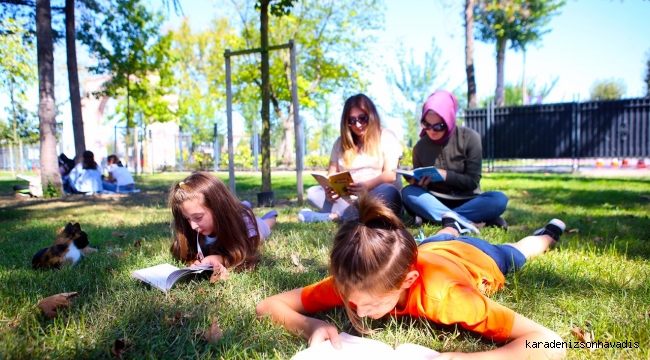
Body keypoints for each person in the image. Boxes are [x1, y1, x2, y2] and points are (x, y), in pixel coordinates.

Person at [256, 194, 567, 360]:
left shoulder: (449, 298)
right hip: (425, 249)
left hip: (477, 257)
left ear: (406, 281)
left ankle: (550, 232)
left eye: (372, 304)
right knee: (435, 240)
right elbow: (268, 305)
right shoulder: (358, 278)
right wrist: (313, 325)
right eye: (352, 301)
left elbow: (550, 343)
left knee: (519, 252)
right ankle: (449, 226)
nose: (358, 312)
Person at [401, 90, 508, 233]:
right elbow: (421, 190)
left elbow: (472, 181)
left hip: (469, 200)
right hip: (436, 200)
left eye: (438, 126)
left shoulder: (470, 138)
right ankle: (470, 221)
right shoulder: (420, 147)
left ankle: (445, 218)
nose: (431, 131)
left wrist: (444, 175)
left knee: (499, 199)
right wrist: (418, 183)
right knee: (408, 193)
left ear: (449, 120)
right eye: (426, 125)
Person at [300, 93, 403, 222]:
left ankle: (337, 217)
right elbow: (331, 175)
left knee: (389, 190)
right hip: (349, 200)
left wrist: (366, 185)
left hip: (379, 197)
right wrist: (330, 190)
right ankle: (354, 215)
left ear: (371, 116)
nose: (358, 125)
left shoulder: (387, 136)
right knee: (313, 193)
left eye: (362, 118)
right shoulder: (340, 143)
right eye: (352, 120)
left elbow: (391, 174)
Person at [168, 171, 278, 272]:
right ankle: (244, 204)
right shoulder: (195, 228)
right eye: (187, 218)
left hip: (250, 223)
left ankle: (271, 215)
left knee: (265, 226)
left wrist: (222, 259)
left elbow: (248, 253)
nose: (192, 226)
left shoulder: (244, 223)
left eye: (198, 217)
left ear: (217, 208)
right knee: (242, 207)